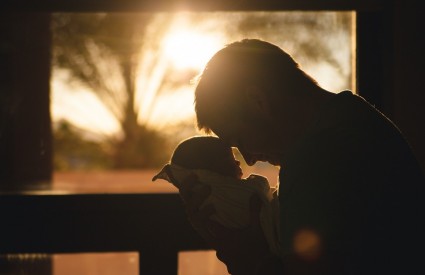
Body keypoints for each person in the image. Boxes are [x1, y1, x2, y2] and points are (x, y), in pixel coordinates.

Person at [178, 39, 425, 274]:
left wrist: (241, 254)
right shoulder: (359, 119)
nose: (249, 159)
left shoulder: (315, 159)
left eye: (240, 141)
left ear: (257, 101)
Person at [152, 136, 281, 256]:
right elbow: (260, 189)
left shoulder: (206, 204)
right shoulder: (227, 195)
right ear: (209, 173)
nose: (239, 162)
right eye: (230, 159)